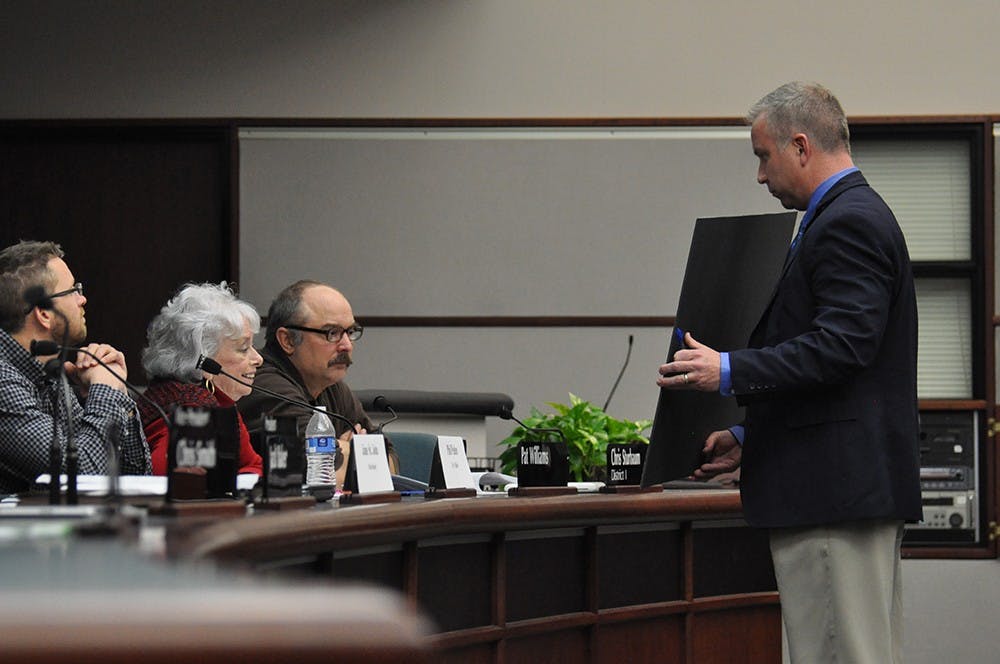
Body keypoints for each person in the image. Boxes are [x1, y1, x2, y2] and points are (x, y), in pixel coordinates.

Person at [657, 82, 921, 664]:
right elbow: (847, 374)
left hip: (833, 494)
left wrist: (725, 370)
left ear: (800, 146)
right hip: (838, 488)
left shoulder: (847, 221)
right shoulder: (843, 215)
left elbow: (842, 348)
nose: (758, 174)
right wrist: (755, 437)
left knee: (836, 654)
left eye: (762, 155)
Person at [0, 240, 151, 493]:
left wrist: (116, 396)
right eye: (72, 290)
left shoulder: (49, 374)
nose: (83, 299)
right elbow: (84, 477)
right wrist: (106, 389)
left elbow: (134, 476)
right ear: (44, 313)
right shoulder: (3, 382)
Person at [237, 280, 397, 487]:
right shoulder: (262, 384)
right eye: (332, 333)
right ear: (287, 340)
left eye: (350, 332)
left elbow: (390, 460)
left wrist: (349, 452)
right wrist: (355, 452)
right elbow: (323, 476)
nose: (346, 345)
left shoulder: (331, 385)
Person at [139, 282, 263, 477]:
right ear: (203, 360)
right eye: (243, 348)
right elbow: (169, 478)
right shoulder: (196, 414)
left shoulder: (214, 403)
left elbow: (254, 466)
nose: (258, 359)